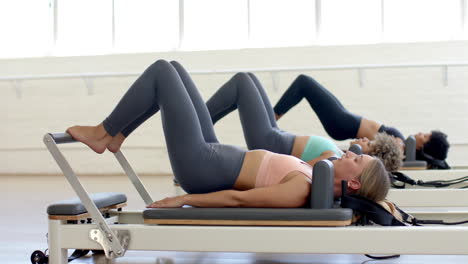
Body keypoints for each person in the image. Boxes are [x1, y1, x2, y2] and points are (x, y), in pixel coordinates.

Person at [66, 60, 389, 209]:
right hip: (213, 151)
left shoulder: (300, 189)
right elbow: (345, 170)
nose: (351, 152)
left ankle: (103, 132)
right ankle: (117, 135)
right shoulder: (320, 169)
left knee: (162, 72)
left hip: (200, 165)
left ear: (355, 182)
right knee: (175, 68)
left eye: (357, 160)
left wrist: (183, 200)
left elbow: (238, 200)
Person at [206, 72, 403, 172]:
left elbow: (298, 169)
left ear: (369, 155)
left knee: (242, 81)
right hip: (274, 132)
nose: (363, 139)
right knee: (250, 78)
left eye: (367, 143)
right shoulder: (338, 154)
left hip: (268, 139)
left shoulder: (334, 158)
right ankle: (203, 121)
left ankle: (201, 120)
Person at [273, 74, 450, 169]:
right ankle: (272, 118)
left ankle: (273, 118)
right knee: (305, 83)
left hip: (342, 123)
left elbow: (383, 153)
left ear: (423, 147)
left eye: (425, 137)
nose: (420, 133)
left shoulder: (400, 145)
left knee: (304, 83)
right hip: (345, 120)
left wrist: (398, 146)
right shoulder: (401, 141)